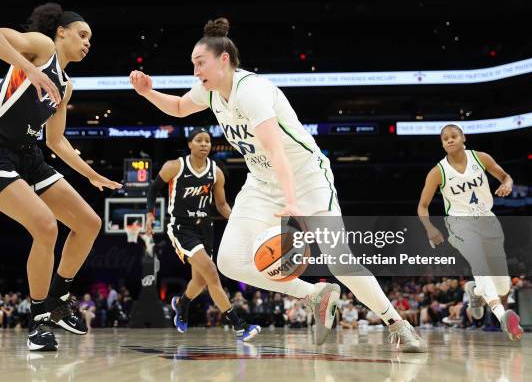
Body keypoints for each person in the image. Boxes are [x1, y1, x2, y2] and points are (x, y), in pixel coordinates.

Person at [131, 17, 426, 352]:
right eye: (193, 64)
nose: (195, 70)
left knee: (339, 258)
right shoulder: (210, 92)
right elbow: (181, 107)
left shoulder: (252, 91)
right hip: (261, 182)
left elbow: (275, 148)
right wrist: (147, 92)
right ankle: (315, 295)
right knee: (229, 261)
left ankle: (397, 324)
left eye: (200, 63)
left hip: (305, 177)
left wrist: (292, 202)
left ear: (223, 60)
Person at [0, 3, 122, 351]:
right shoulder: (42, 48)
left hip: (29, 157)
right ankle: (37, 323)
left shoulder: (66, 87)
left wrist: (92, 174)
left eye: (90, 39)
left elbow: (56, 141)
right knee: (46, 227)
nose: (87, 43)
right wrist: (27, 69)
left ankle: (59, 298)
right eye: (82, 34)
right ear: (60, 32)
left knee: (89, 223)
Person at [145, 127, 260, 341]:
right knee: (211, 272)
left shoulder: (215, 172)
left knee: (200, 281)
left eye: (207, 141)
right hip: (181, 228)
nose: (204, 144)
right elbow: (153, 189)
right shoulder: (175, 166)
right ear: (190, 144)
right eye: (199, 140)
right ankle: (239, 325)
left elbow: (222, 204)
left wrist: (239, 221)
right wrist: (150, 215)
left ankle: (181, 304)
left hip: (205, 229)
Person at [417, 123, 523, 341]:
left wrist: (508, 185)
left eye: (454, 135)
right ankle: (503, 317)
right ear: (442, 144)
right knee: (479, 263)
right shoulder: (438, 172)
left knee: (503, 285)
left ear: (463, 137)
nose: (449, 140)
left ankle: (475, 292)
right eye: (445, 138)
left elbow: (506, 177)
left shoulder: (481, 158)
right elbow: (422, 206)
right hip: (459, 224)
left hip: (488, 221)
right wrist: (429, 228)